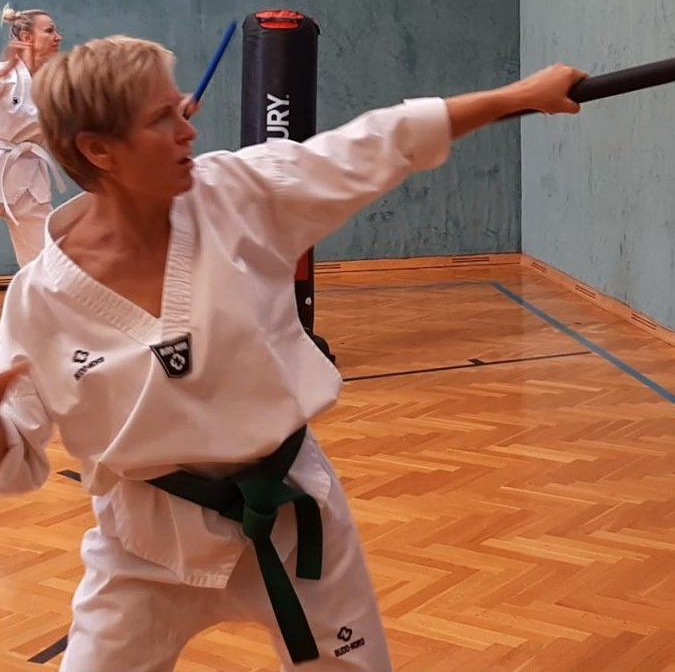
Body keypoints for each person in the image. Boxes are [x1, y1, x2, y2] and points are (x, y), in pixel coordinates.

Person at [0, 33, 586, 671]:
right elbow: (18, 454)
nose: (188, 128)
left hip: (292, 517)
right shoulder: (41, 299)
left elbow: (376, 142)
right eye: (161, 118)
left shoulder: (239, 194)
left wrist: (520, 96)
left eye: (180, 108)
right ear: (98, 149)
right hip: (147, 543)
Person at [0, 5, 65, 266]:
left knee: (44, 261)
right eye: (49, 31)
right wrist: (6, 71)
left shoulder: (52, 84)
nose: (58, 37)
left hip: (28, 178)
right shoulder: (5, 73)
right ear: (27, 37)